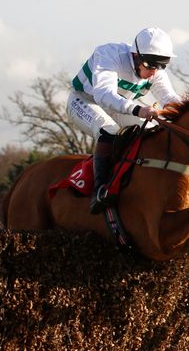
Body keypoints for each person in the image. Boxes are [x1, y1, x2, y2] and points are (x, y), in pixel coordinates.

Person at [67, 27, 182, 214]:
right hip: (84, 101)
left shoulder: (154, 67)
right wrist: (139, 109)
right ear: (135, 55)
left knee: (152, 130)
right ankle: (100, 191)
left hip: (118, 107)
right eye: (150, 65)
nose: (154, 72)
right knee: (109, 130)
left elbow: (170, 98)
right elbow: (104, 94)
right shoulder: (108, 54)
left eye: (161, 65)